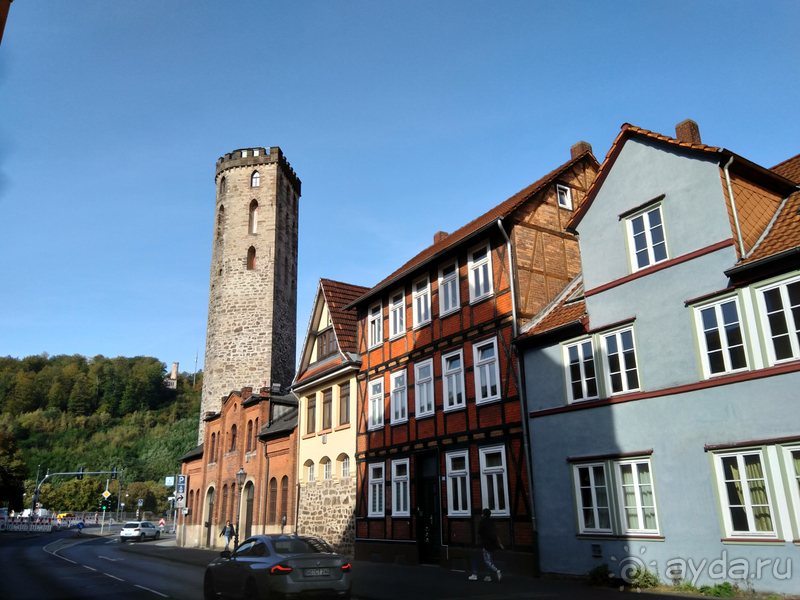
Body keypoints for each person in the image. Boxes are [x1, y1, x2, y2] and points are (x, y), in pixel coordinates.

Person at [478, 508, 503, 582]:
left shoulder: (482, 522)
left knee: (487, 560)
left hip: (486, 544)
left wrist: (478, 541)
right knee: (489, 559)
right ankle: (488, 576)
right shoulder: (492, 522)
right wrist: (499, 543)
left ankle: (496, 570)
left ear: (484, 514)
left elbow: (479, 532)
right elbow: (495, 533)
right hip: (493, 543)